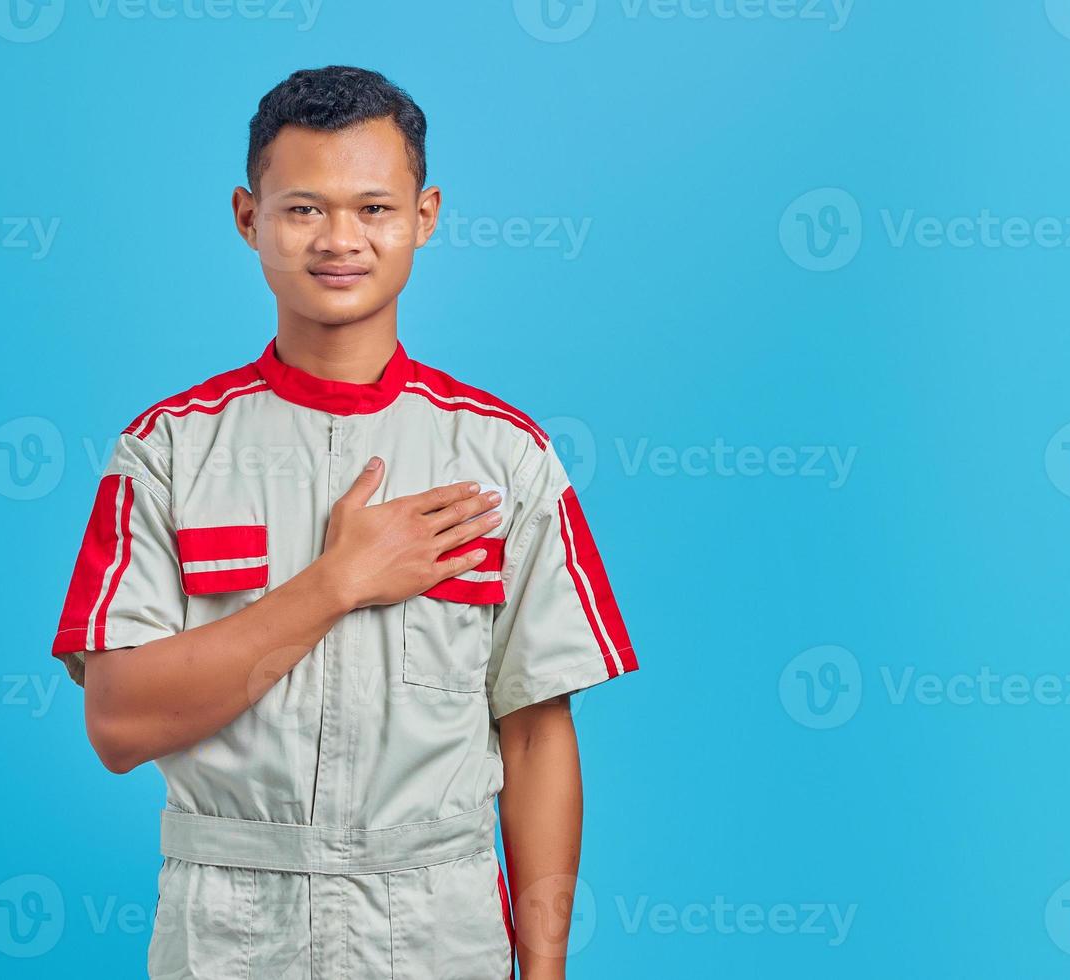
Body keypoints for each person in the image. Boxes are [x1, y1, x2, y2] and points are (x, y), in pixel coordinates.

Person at [49, 65, 638, 980]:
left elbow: (535, 734)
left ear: (425, 216)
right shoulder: (166, 452)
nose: (340, 240)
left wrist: (547, 966)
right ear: (248, 217)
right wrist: (337, 584)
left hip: (438, 927)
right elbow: (119, 723)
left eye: (374, 208)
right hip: (231, 932)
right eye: (302, 209)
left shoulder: (505, 458)